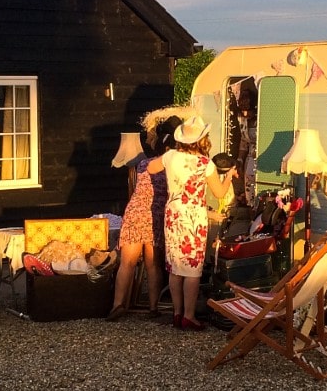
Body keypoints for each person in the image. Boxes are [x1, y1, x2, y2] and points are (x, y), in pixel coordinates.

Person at [147, 115, 237, 331]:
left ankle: (177, 314)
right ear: (201, 139)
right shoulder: (206, 164)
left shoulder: (170, 156)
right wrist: (229, 176)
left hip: (174, 215)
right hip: (195, 217)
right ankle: (189, 316)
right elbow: (219, 192)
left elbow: (150, 168)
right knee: (193, 270)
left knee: (176, 267)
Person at [107, 115, 182, 321]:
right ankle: (153, 307)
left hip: (135, 212)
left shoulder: (142, 164)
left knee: (127, 263)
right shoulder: (173, 167)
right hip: (154, 213)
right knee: (153, 264)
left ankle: (118, 304)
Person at [236, 88, 258, 205]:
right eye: (242, 110)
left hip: (261, 157)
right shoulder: (242, 119)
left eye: (247, 110)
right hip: (250, 159)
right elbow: (244, 141)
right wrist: (240, 159)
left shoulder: (261, 119)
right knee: (249, 190)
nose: (245, 113)